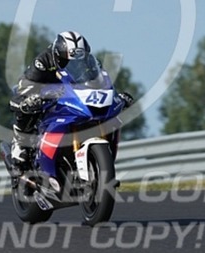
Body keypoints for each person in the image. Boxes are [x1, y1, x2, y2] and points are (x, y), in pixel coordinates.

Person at [9, 30, 133, 168]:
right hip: (43, 89)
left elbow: (100, 82)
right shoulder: (43, 61)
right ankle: (20, 143)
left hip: (70, 95)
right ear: (57, 55)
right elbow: (25, 86)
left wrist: (116, 96)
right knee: (27, 106)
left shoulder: (90, 63)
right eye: (66, 60)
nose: (72, 62)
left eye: (78, 59)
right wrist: (29, 100)